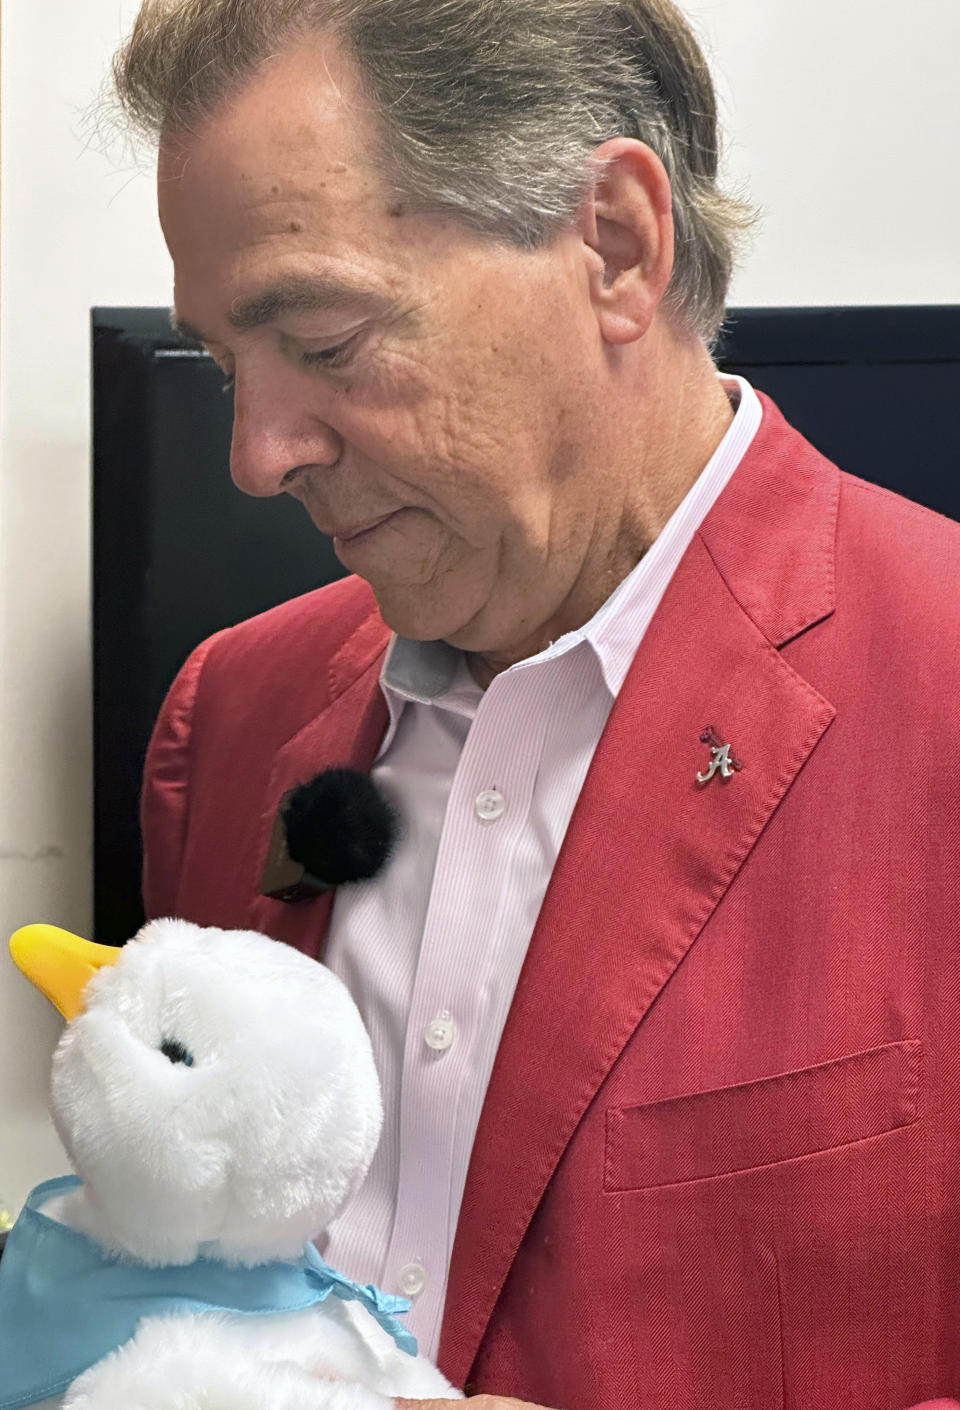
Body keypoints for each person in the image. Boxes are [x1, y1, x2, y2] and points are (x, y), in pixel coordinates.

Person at [116, 1, 960, 1406]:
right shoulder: (231, 718)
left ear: (617, 244)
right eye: (220, 364)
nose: (256, 456)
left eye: (324, 340)